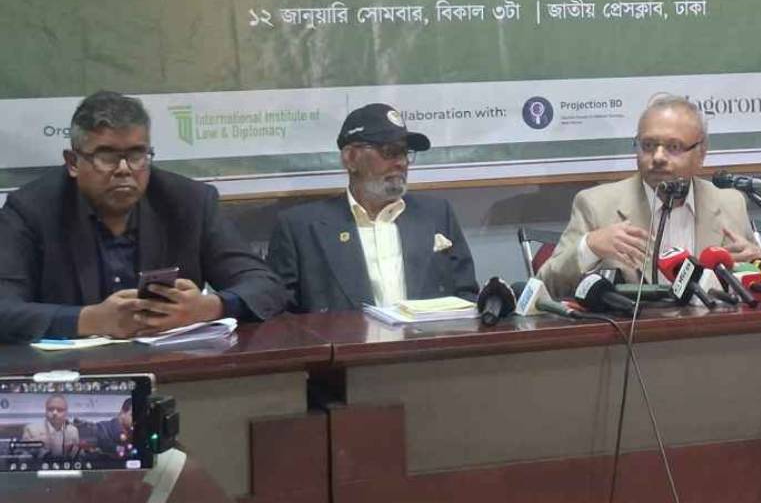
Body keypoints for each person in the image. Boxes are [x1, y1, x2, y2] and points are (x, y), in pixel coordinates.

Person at [0, 91, 287, 343]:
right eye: (107, 157)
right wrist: (90, 320)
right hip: (70, 373)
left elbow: (266, 286)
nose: (124, 169)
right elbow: (5, 308)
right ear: (73, 162)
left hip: (174, 366)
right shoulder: (31, 210)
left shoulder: (188, 201)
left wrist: (209, 307)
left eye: (137, 155)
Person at [537, 94, 761, 299]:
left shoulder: (730, 203)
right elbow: (545, 287)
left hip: (713, 330)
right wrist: (589, 247)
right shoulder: (596, 206)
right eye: (647, 145)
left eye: (673, 147)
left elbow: (759, 287)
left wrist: (760, 261)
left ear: (701, 154)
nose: (658, 157)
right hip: (634, 332)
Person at [268, 104, 478, 312]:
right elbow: (280, 315)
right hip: (346, 335)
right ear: (350, 158)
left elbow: (466, 296)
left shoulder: (436, 213)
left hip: (426, 334)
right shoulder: (301, 228)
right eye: (389, 152)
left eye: (405, 152)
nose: (402, 162)